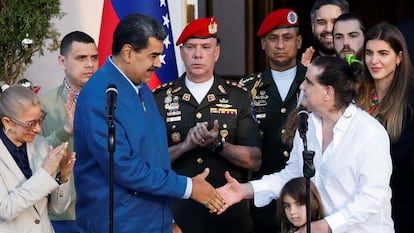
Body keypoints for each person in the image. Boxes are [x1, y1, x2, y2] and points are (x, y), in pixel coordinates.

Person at [73, 13, 224, 233]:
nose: (158, 63)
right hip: (119, 224)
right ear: (128, 52)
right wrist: (188, 187)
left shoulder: (141, 88)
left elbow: (154, 158)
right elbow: (123, 166)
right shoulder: (101, 94)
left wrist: (167, 220)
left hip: (152, 221)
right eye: (153, 55)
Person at [217, 56, 395, 233]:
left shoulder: (369, 133)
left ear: (328, 93)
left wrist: (328, 226)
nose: (302, 86)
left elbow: (373, 197)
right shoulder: (308, 124)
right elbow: (293, 175)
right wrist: (245, 190)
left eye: (309, 83)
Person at [153, 16, 261, 233]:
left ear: (217, 52)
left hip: (228, 215)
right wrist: (185, 146)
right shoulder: (159, 98)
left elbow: (255, 160)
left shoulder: (238, 96)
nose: (198, 54)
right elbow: (149, 163)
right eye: (191, 47)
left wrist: (219, 145)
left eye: (205, 47)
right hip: (178, 216)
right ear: (182, 52)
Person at [237, 9, 305, 233]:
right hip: (264, 194)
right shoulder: (247, 88)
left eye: (287, 38)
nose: (280, 45)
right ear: (263, 44)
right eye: (273, 39)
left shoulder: (315, 81)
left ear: (299, 41)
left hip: (308, 194)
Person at [40, 30, 98, 233]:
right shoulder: (42, 105)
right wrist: (65, 131)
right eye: (81, 58)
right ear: (62, 62)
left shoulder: (112, 100)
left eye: (94, 57)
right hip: (63, 215)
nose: (90, 64)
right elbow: (35, 157)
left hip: (106, 211)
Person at [358, 22, 414, 233]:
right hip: (361, 199)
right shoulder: (356, 95)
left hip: (402, 199)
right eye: (369, 53)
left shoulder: (410, 99)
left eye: (383, 53)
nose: (374, 61)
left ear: (398, 57)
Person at [0, 85, 76, 233]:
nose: (38, 129)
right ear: (7, 122)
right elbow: (6, 209)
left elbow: (57, 209)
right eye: (30, 124)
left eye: (40, 119)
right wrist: (45, 172)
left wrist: (63, 177)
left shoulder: (40, 144)